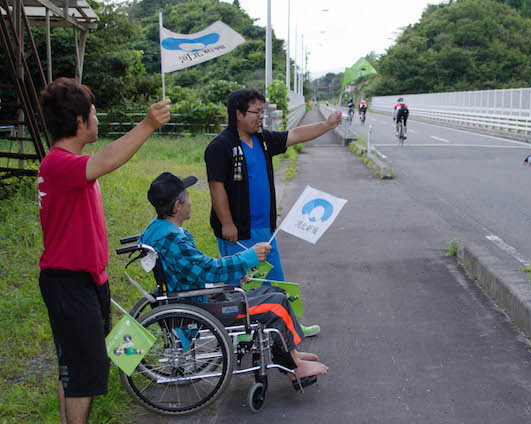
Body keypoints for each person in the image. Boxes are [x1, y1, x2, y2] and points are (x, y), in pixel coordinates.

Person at [37, 77, 170, 424]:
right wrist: (148, 124)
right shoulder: (59, 164)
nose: (98, 121)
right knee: (84, 368)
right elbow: (108, 160)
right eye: (94, 115)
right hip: (69, 282)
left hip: (86, 278)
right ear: (79, 121)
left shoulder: (69, 165)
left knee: (79, 363)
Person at [139, 172, 328, 389]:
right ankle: (294, 367)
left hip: (195, 294)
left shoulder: (158, 230)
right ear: (177, 207)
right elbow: (206, 269)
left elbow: (199, 267)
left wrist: (236, 270)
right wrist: (247, 258)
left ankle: (291, 352)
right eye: (187, 197)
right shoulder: (173, 239)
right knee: (275, 304)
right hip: (201, 305)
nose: (190, 201)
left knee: (275, 292)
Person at [204, 88, 341, 337]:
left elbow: (295, 134)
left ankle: (289, 327)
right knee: (243, 284)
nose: (261, 118)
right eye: (256, 112)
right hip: (237, 232)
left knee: (276, 282)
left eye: (262, 112)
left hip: (265, 229)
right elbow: (217, 187)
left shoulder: (263, 140)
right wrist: (227, 223)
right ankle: (243, 331)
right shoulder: (220, 146)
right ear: (238, 113)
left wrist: (327, 124)